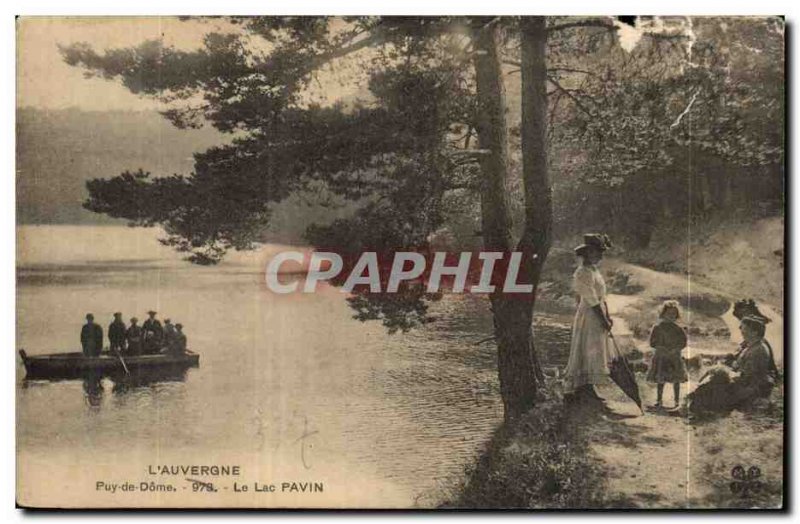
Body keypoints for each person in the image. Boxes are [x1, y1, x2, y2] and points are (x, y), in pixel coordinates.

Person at [688, 315, 775, 413]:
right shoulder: (751, 345)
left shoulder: (758, 350)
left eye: (744, 328)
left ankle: (695, 408)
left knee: (716, 379)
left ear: (754, 332)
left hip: (750, 387)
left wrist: (726, 372)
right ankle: (694, 405)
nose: (741, 331)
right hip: (745, 382)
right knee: (714, 377)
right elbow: (737, 363)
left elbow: (749, 376)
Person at [564, 234, 614, 403]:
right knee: (587, 347)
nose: (600, 256)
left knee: (595, 349)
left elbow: (601, 297)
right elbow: (591, 299)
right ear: (588, 253)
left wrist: (607, 316)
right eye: (597, 252)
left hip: (597, 312)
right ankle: (582, 388)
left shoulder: (594, 270)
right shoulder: (582, 273)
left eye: (601, 253)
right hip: (589, 314)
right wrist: (603, 319)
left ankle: (589, 387)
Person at [646, 300, 688, 409]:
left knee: (676, 380)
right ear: (663, 314)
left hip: (674, 358)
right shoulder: (657, 327)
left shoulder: (678, 329)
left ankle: (676, 401)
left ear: (677, 316)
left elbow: (683, 342)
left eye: (674, 314)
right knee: (661, 379)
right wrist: (660, 347)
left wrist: (676, 349)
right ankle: (659, 401)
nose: (671, 316)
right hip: (662, 357)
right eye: (668, 314)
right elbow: (652, 342)